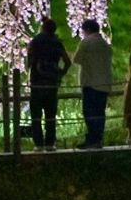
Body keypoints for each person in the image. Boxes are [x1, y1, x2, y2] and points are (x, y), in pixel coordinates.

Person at [25, 17, 71, 150]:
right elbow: (67, 62)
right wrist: (60, 74)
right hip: (52, 82)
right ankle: (50, 143)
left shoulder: (35, 41)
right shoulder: (57, 42)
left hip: (37, 82)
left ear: (43, 27)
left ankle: (38, 144)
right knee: (50, 115)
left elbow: (29, 62)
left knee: (36, 115)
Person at [72, 18, 112, 149]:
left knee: (89, 112)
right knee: (100, 113)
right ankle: (98, 139)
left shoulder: (87, 42)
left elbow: (76, 59)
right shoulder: (105, 44)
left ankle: (92, 140)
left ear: (87, 30)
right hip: (104, 83)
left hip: (90, 83)